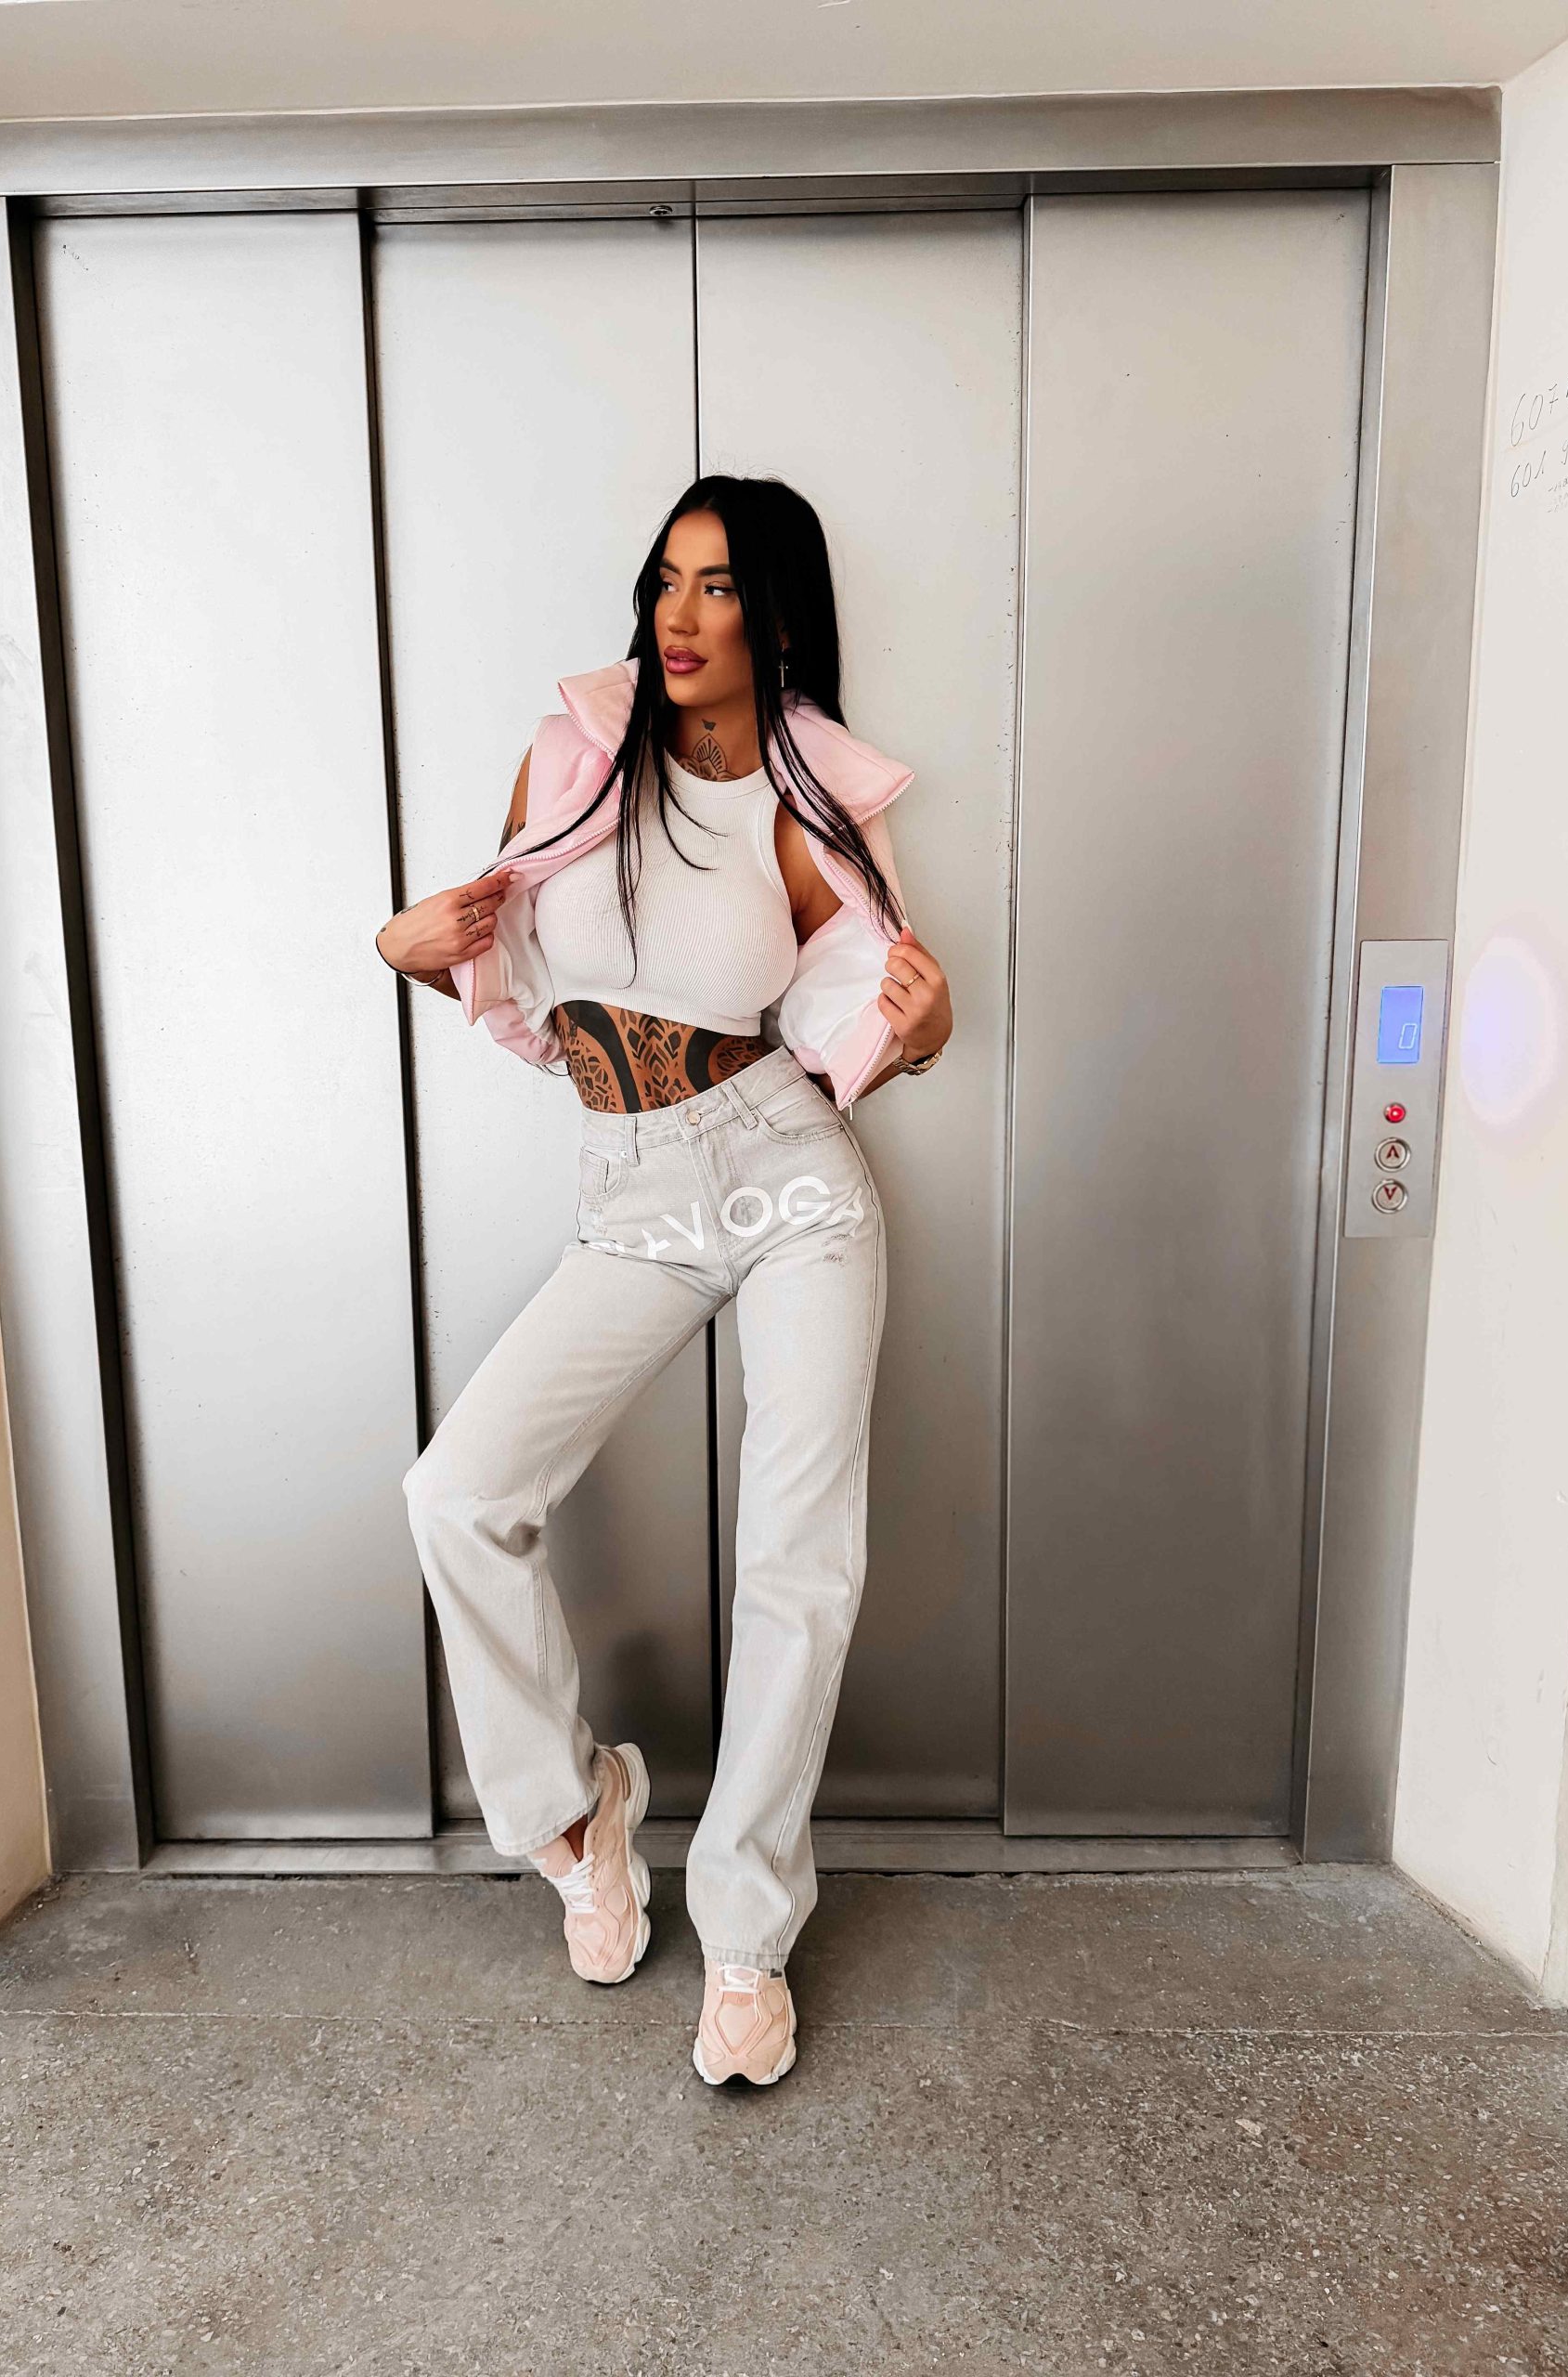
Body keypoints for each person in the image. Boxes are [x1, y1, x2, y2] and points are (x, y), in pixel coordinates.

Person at [375, 474, 952, 2086]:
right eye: (665, 583)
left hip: (788, 1180)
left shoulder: (806, 800)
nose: (678, 619)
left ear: (778, 614)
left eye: (718, 588)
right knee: (459, 1494)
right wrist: (406, 955)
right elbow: (497, 951)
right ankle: (580, 1814)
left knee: (797, 1562)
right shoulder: (575, 758)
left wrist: (928, 1031)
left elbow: (874, 1018)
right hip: (628, 1192)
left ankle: (749, 1938)